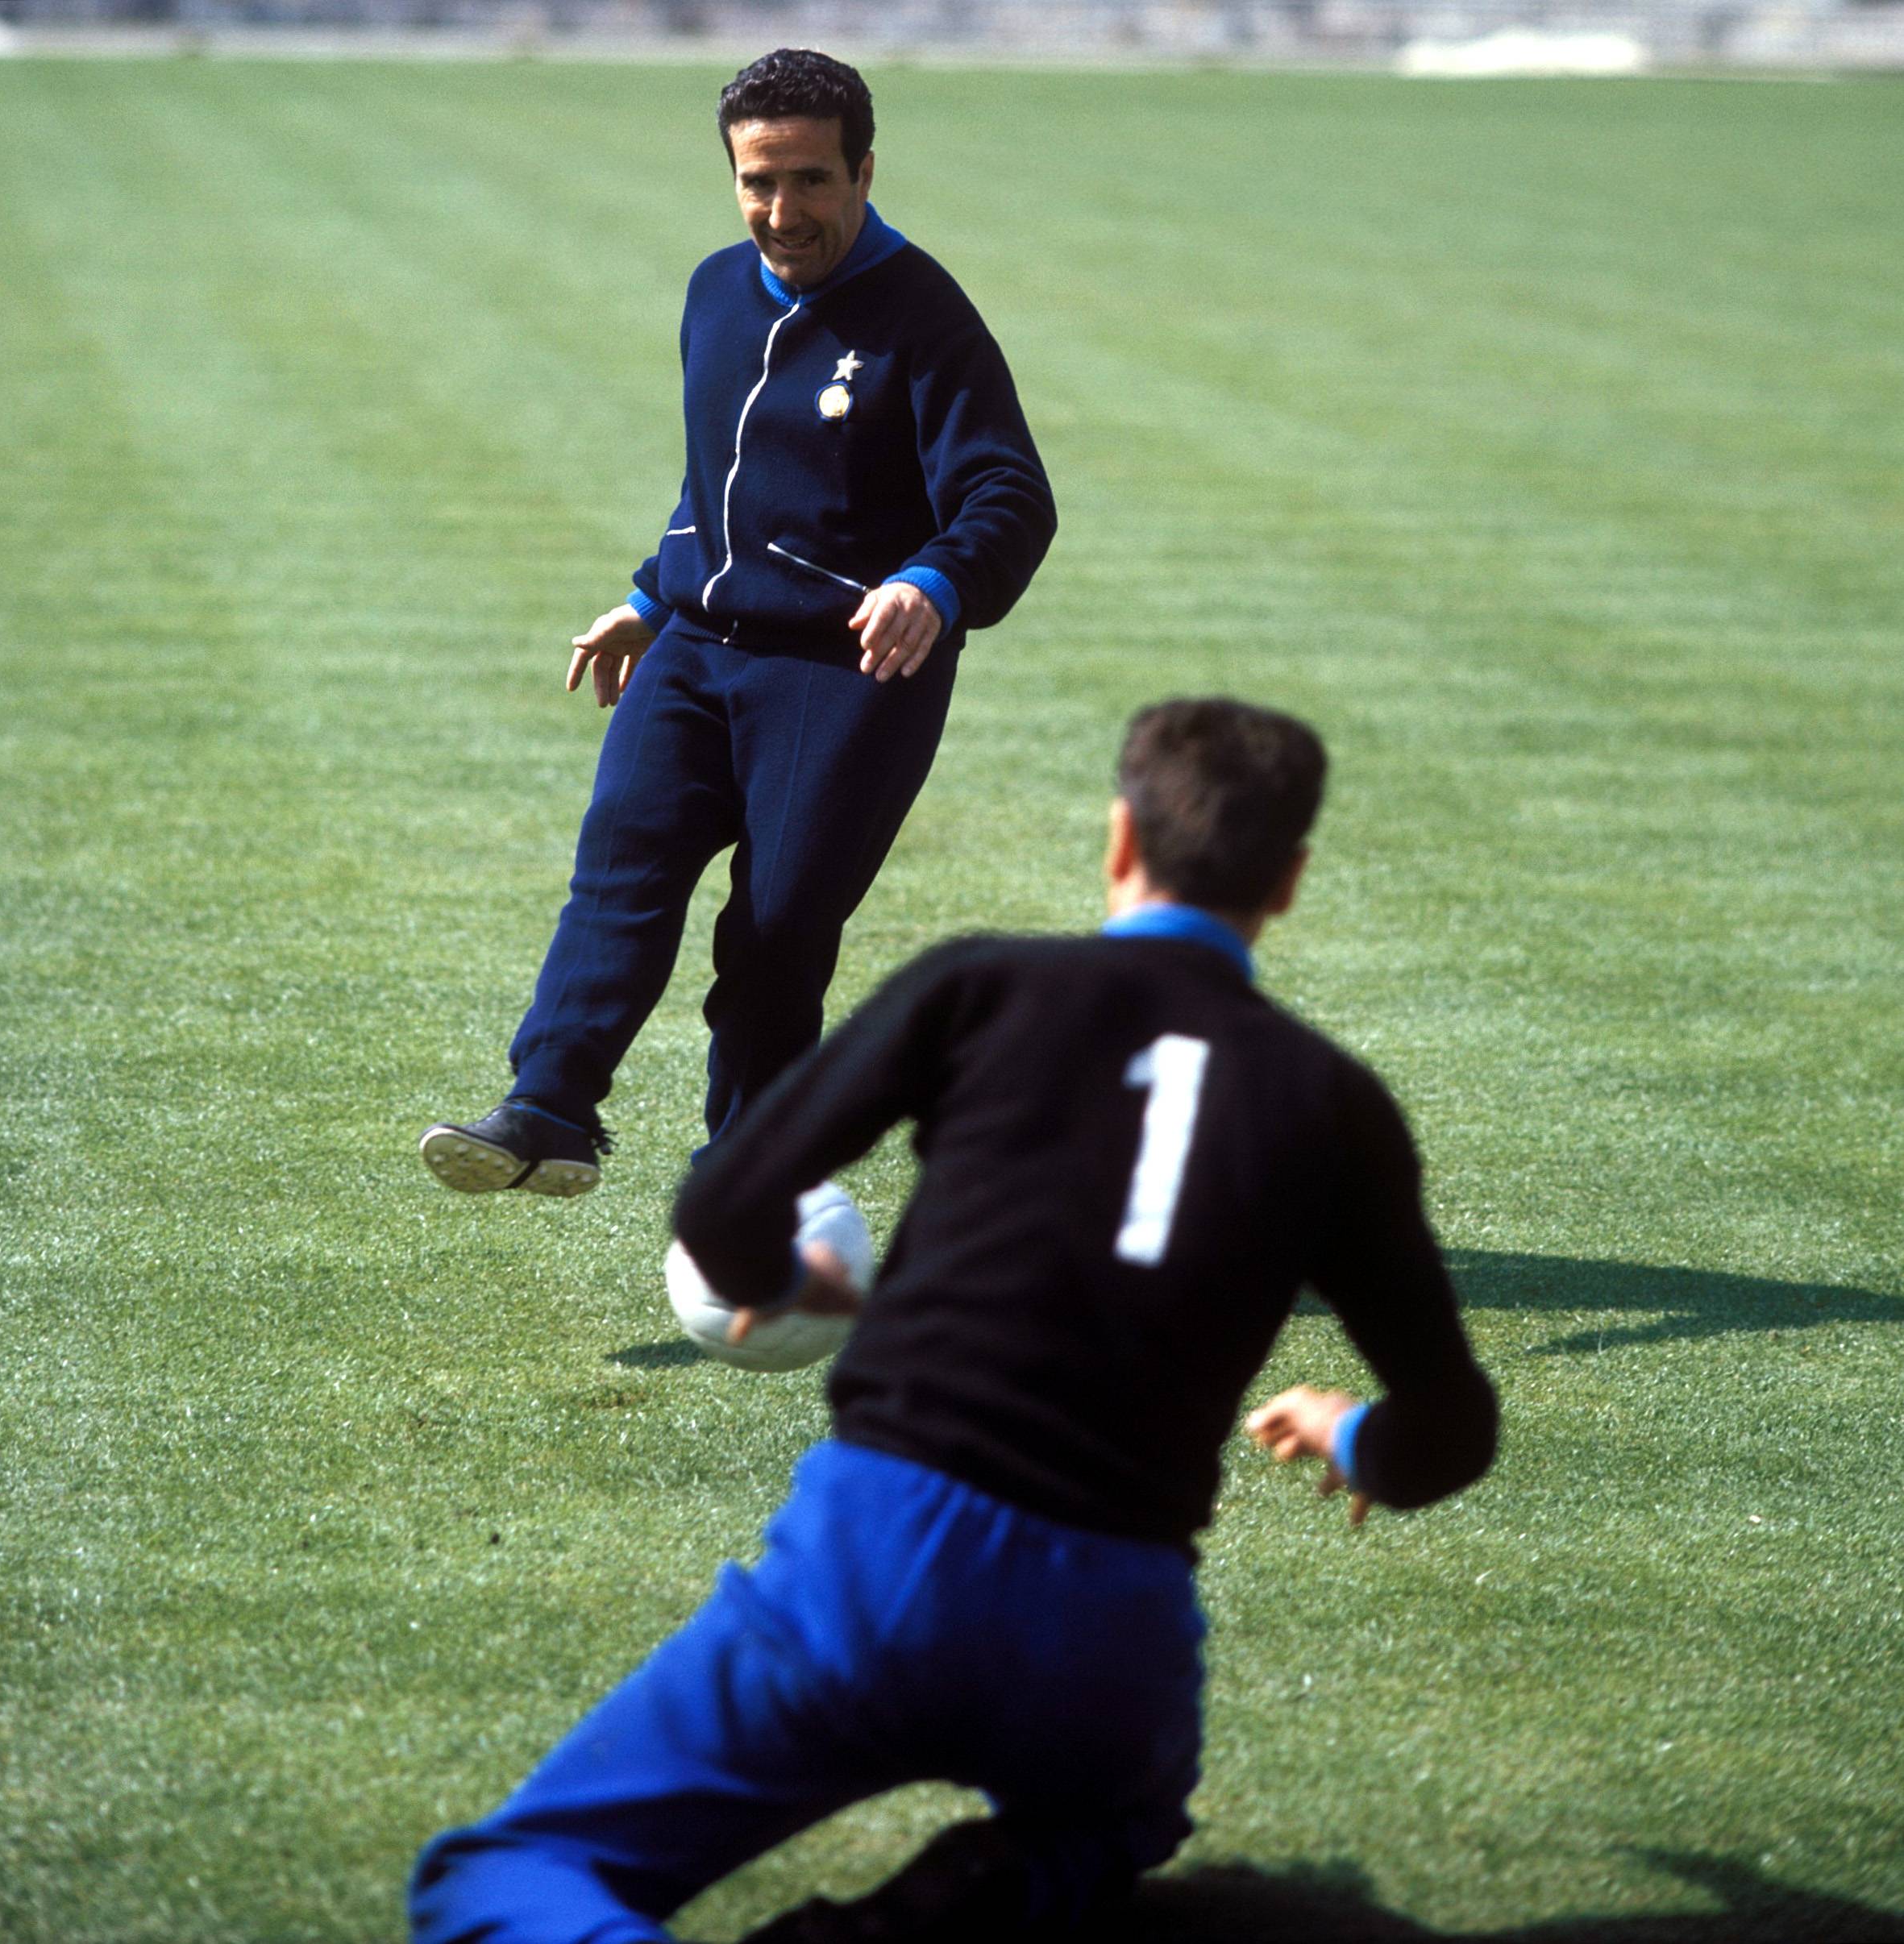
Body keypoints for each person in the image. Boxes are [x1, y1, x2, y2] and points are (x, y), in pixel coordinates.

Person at [409, 698, 1501, 1944]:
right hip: (1116, 1613)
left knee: (513, 1873)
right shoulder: (1339, 1104)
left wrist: (792, 1282)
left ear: (1119, 837)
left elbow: (722, 1206)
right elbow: (1454, 1431)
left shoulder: (983, 985)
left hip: (885, 1556)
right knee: (1106, 1831)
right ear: (1290, 881)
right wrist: (1355, 1438)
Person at [420, 47, 1055, 1199]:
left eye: (812, 180)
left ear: (865, 172)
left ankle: (751, 1170)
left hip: (848, 670)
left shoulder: (923, 315)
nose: (783, 211)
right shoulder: (715, 290)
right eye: (758, 181)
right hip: (699, 647)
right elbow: (715, 481)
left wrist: (934, 582)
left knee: (776, 930)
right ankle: (549, 1108)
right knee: (620, 869)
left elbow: (1009, 493)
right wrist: (649, 597)